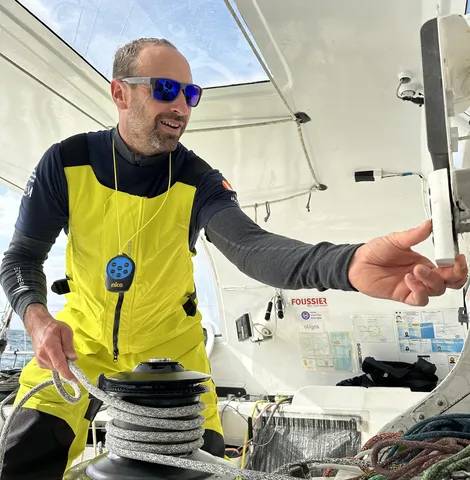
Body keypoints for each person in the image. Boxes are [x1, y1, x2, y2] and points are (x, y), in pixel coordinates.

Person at [0, 37, 466, 480]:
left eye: (191, 93)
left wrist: (345, 265)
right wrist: (37, 319)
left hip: (172, 358)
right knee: (24, 459)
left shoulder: (198, 179)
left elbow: (251, 247)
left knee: (197, 471)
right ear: (120, 93)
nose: (181, 107)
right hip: (75, 345)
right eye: (166, 90)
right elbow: (21, 256)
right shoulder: (66, 163)